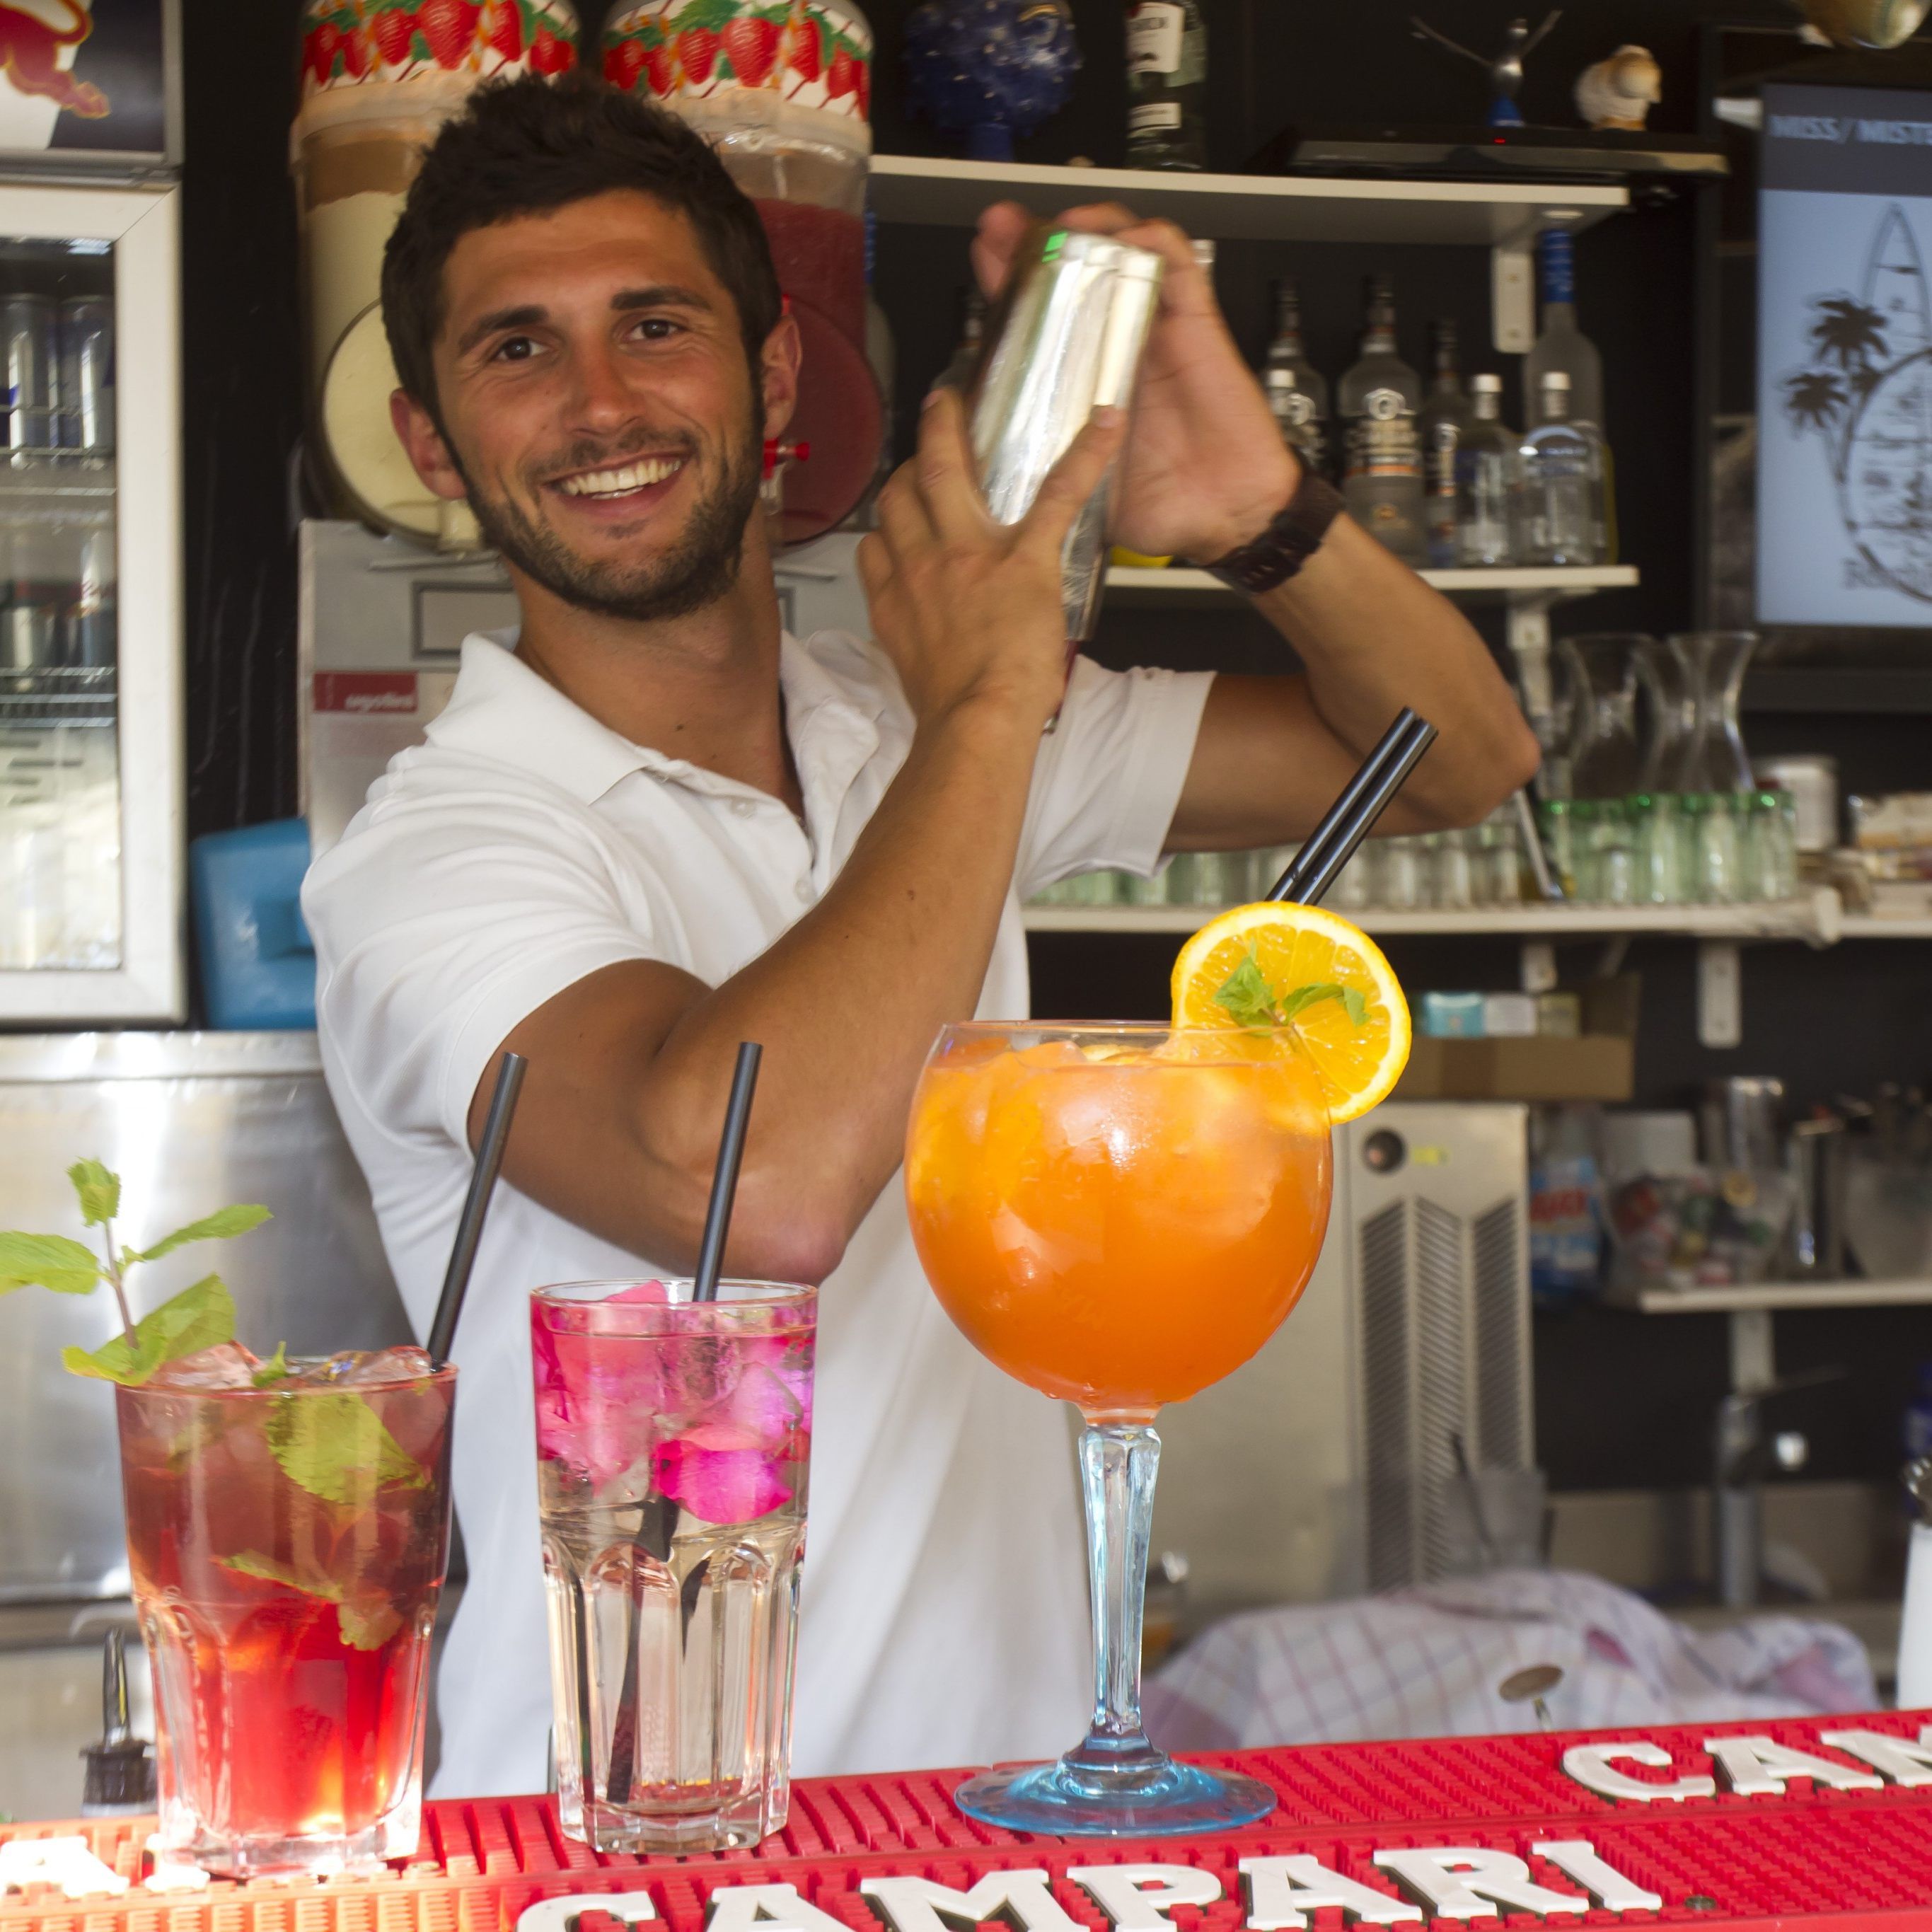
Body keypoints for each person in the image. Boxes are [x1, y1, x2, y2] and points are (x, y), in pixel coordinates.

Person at [302, 73, 1539, 1797]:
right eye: (516, 349)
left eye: (654, 326)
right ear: (432, 438)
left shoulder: (917, 722)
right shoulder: (434, 849)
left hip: (1007, 1809)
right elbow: (762, 1188)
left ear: (775, 376)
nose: (598, 403)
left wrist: (1266, 516)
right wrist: (993, 705)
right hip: (626, 1837)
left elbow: (1454, 762)